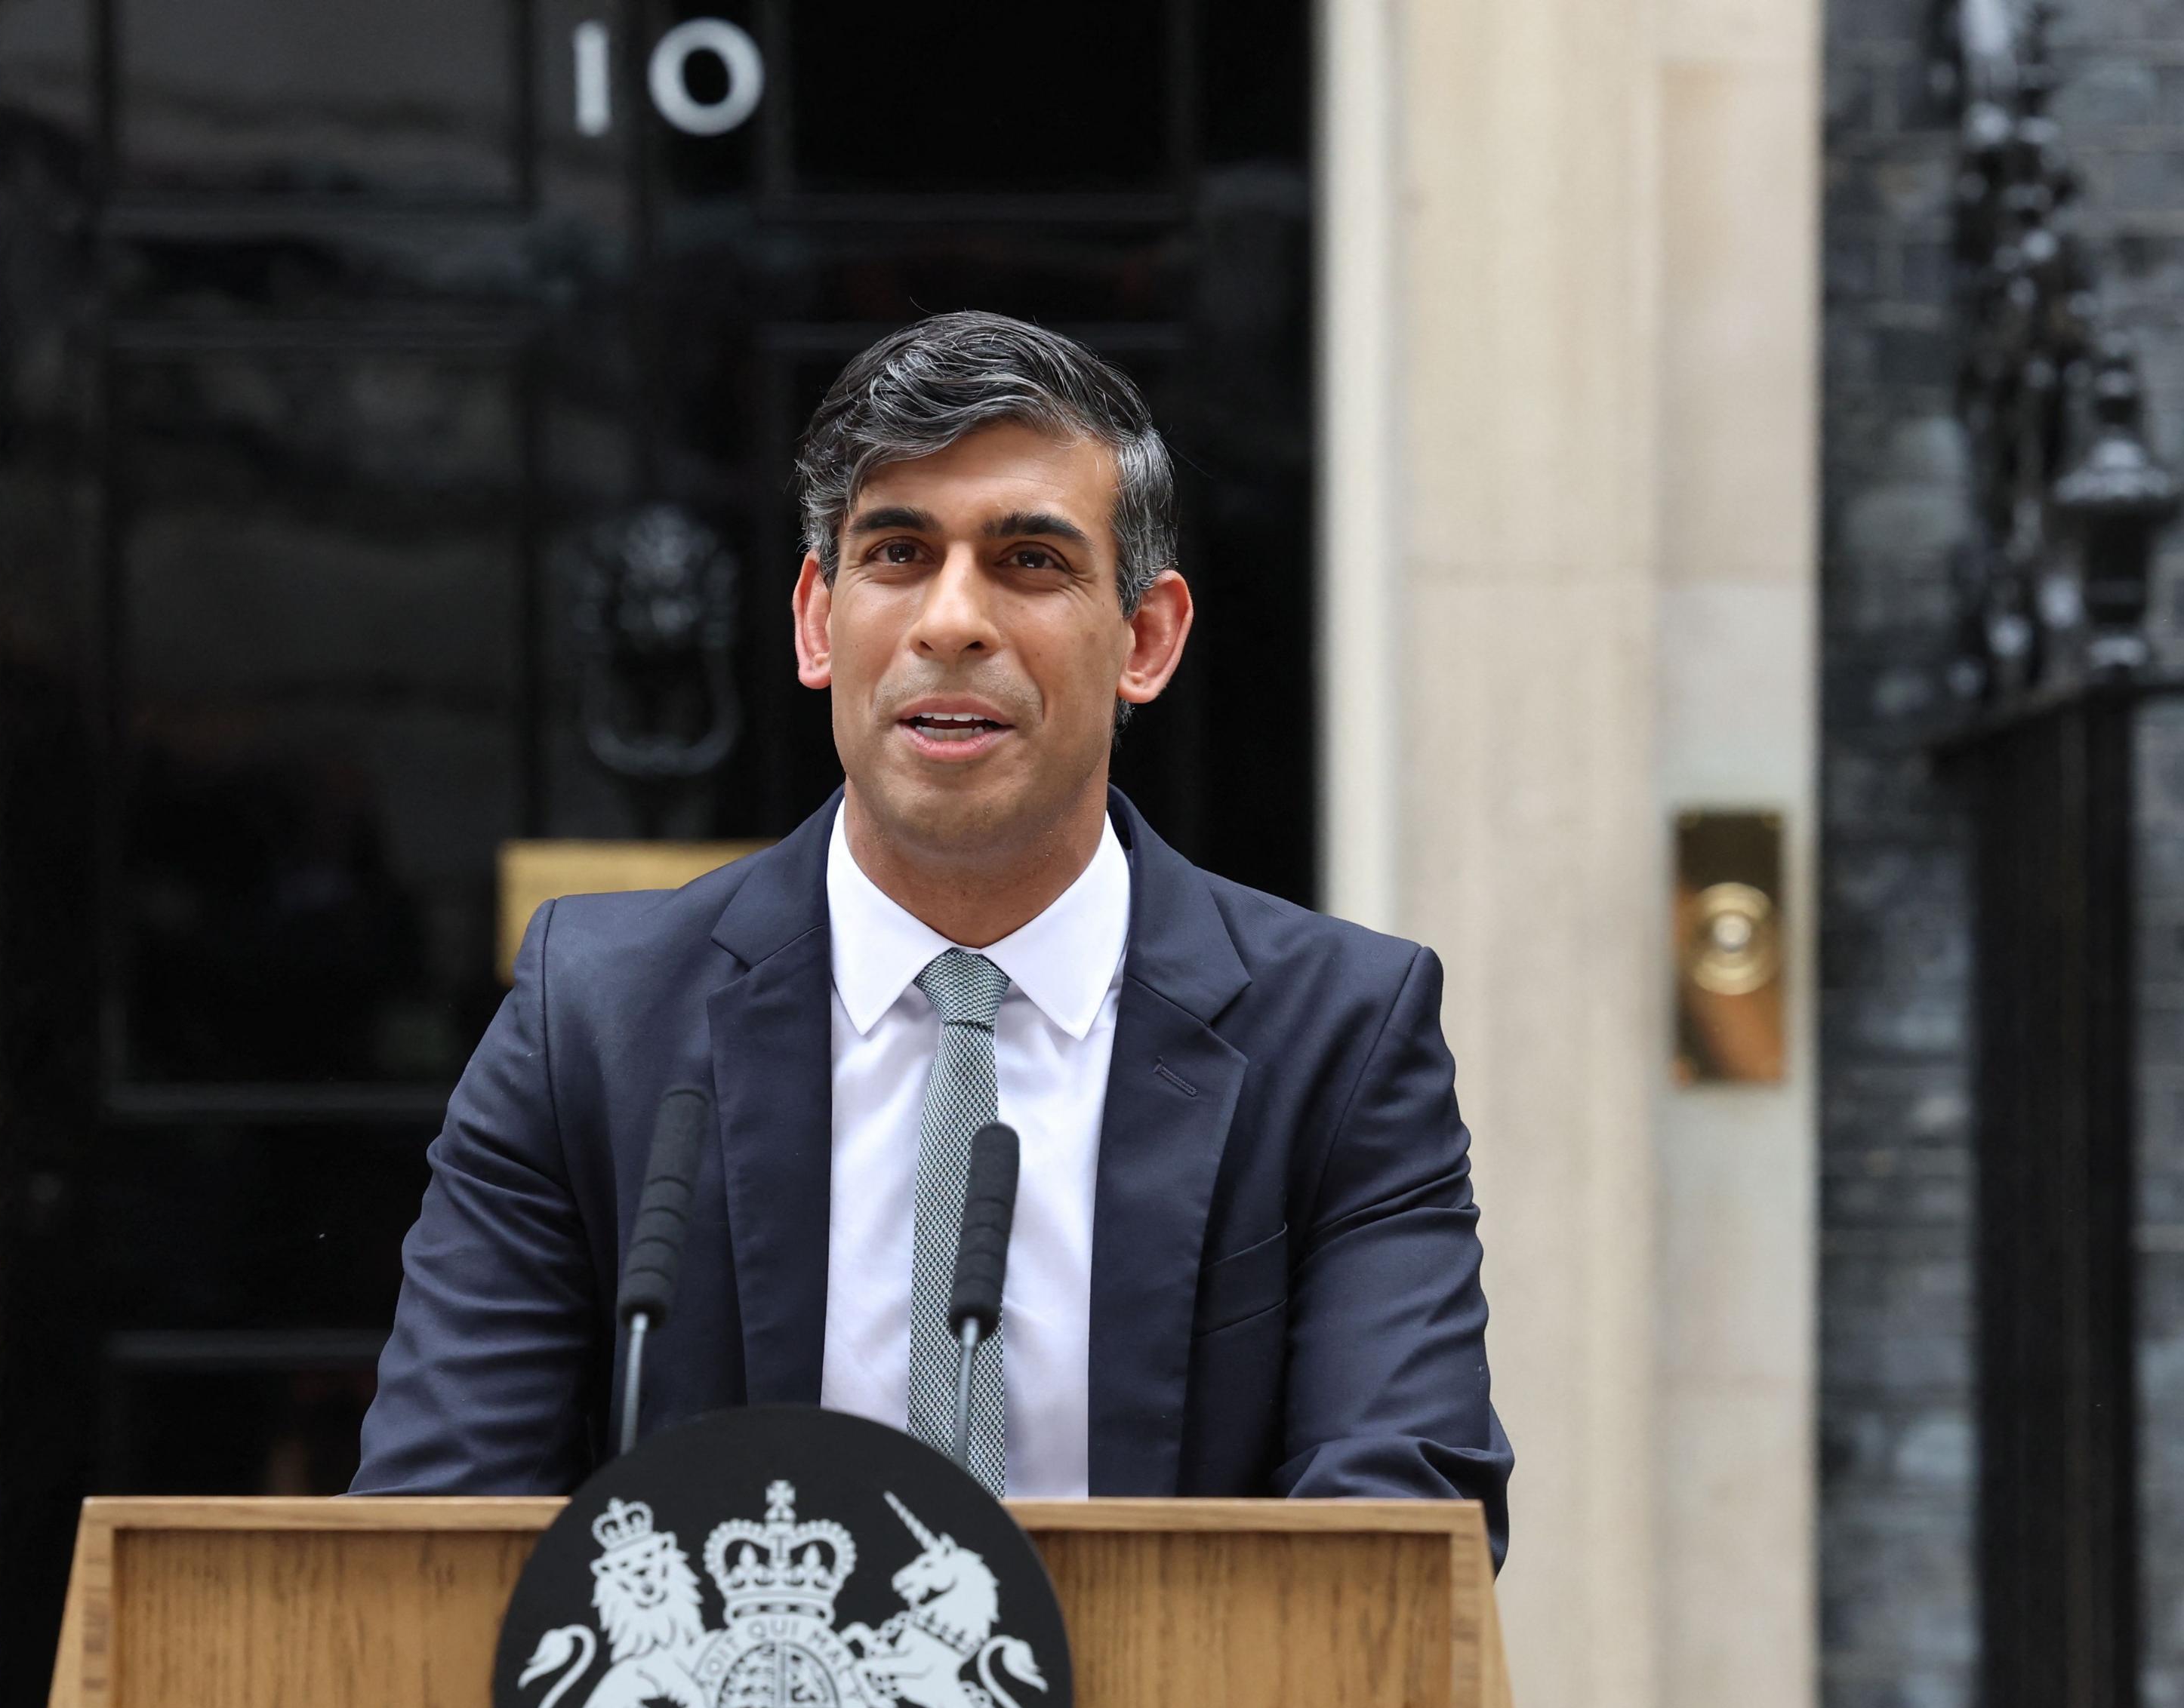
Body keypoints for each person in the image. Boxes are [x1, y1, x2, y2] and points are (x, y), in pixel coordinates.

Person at [354, 312, 1510, 1562]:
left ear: (1150, 639)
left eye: (1028, 562)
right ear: (816, 622)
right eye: (898, 552)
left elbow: (1400, 1543)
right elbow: (438, 1526)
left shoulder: (1337, 1040)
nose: (951, 622)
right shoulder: (597, 1018)